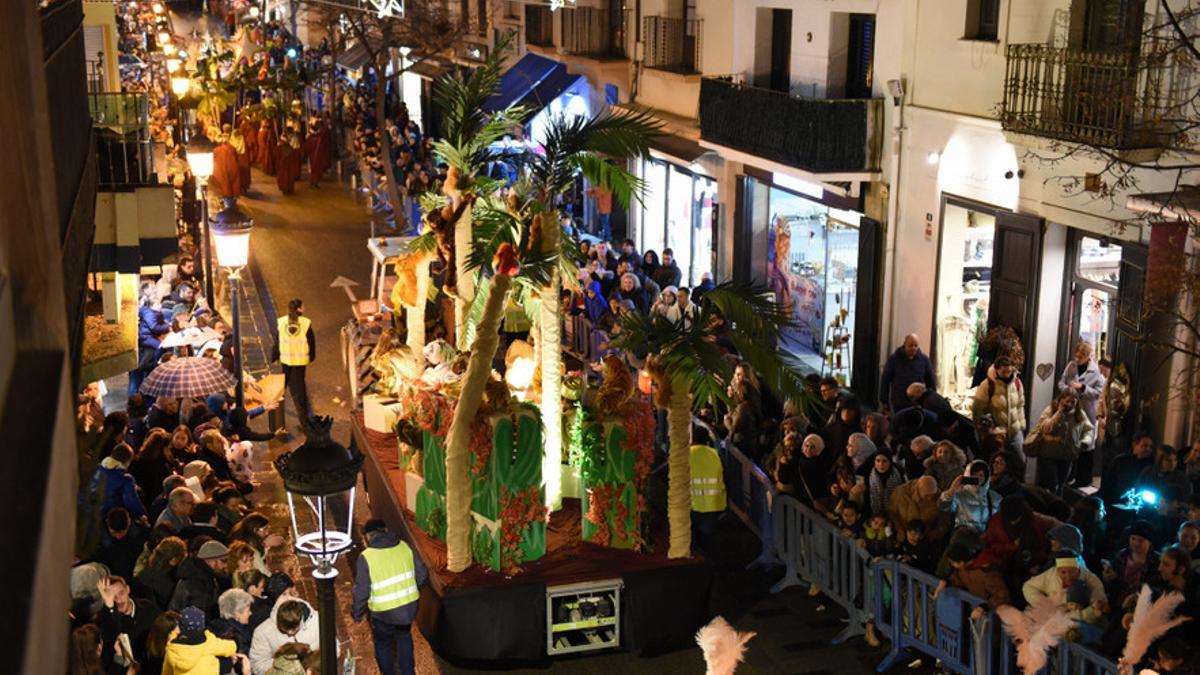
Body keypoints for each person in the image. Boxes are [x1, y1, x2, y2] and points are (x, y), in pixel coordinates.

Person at [352, 519, 427, 675]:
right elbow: (422, 574)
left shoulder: (366, 557)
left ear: (367, 537)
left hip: (383, 613)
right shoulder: (405, 546)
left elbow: (362, 591)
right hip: (408, 608)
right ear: (385, 530)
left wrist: (357, 613)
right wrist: (411, 590)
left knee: (383, 644)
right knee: (404, 637)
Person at [1022, 551, 1108, 641]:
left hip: (1085, 626)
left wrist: (1068, 615)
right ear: (1057, 570)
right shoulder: (1051, 575)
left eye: (1072, 572)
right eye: (1063, 572)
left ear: (1078, 569)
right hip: (1055, 619)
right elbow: (1028, 586)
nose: (1068, 576)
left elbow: (1096, 610)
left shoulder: (1092, 581)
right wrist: (1045, 604)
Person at [1029, 388, 1095, 495]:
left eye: (1073, 402)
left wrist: (1085, 441)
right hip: (1049, 455)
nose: (1070, 404)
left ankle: (1057, 509)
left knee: (1061, 486)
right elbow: (1045, 428)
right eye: (1067, 401)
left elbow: (1088, 429)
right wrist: (1059, 413)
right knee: (1052, 485)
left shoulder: (1079, 413)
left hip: (1067, 456)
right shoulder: (1050, 410)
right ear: (1061, 400)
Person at [1058, 342, 1105, 487]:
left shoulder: (1095, 371)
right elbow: (1061, 382)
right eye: (1076, 356)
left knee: (1085, 445)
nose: (1077, 359)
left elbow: (1098, 393)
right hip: (1071, 409)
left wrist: (1083, 388)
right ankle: (1068, 477)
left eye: (1080, 357)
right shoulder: (1071, 366)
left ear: (1087, 356)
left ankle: (1083, 479)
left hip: (1086, 411)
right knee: (1071, 443)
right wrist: (1068, 390)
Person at [163, 605, 246, 675]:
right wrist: (235, 644)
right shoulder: (208, 641)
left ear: (180, 626)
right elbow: (228, 647)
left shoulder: (173, 648)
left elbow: (166, 671)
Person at [971, 356, 1026, 458]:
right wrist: (986, 430)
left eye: (1009, 371)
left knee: (1020, 461)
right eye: (1003, 372)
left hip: (1015, 431)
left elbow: (1020, 405)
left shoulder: (1017, 383)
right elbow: (977, 409)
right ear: (996, 370)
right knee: (996, 461)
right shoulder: (987, 385)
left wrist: (1021, 425)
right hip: (996, 434)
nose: (1007, 375)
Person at [250, 598, 322, 675]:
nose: (289, 633)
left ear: (301, 619)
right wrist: (284, 665)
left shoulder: (318, 621)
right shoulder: (262, 631)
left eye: (294, 629)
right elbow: (258, 665)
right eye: (284, 630)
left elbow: (334, 648)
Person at [272, 299, 314, 425]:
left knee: (281, 388)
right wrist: (311, 356)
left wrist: (274, 356)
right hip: (300, 360)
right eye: (303, 306)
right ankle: (304, 419)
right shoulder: (305, 323)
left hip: (286, 359)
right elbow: (311, 341)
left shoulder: (282, 322)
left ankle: (276, 416)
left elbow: (277, 341)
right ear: (299, 309)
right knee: (300, 389)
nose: (304, 307)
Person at [90, 443, 149, 522]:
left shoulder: (95, 469)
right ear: (127, 462)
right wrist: (142, 515)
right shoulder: (125, 479)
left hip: (89, 513)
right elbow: (131, 502)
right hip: (109, 518)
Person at [878, 334, 936, 414]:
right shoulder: (894, 359)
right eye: (911, 345)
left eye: (916, 345)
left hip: (919, 403)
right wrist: (884, 401)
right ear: (905, 345)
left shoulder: (924, 360)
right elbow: (885, 381)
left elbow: (931, 381)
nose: (913, 348)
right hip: (899, 403)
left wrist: (932, 399)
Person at [887, 475, 952, 545]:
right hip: (902, 535)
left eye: (932, 495)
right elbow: (891, 512)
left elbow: (945, 523)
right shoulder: (901, 492)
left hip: (925, 540)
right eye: (926, 495)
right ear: (918, 489)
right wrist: (899, 529)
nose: (930, 498)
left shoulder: (940, 499)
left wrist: (928, 537)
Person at [169, 540, 229, 616]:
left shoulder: (207, 578)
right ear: (211, 561)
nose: (225, 565)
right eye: (223, 561)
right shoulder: (196, 583)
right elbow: (200, 616)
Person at [1100, 431, 1157, 506]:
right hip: (1118, 503)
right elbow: (1108, 484)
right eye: (1145, 446)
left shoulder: (1152, 464)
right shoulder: (1120, 461)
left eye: (1150, 447)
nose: (1148, 449)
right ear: (1134, 445)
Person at [95, 508, 147, 581]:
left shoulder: (140, 534)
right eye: (114, 533)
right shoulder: (98, 540)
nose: (118, 536)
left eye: (121, 533)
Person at [210, 588, 256, 655]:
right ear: (237, 613)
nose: (250, 613)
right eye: (247, 611)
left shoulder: (214, 627)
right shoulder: (237, 638)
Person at [303, 117, 332, 187]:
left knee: (315, 169)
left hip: (316, 156)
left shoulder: (315, 137)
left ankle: (314, 181)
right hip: (316, 156)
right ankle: (314, 182)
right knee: (315, 169)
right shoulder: (317, 137)